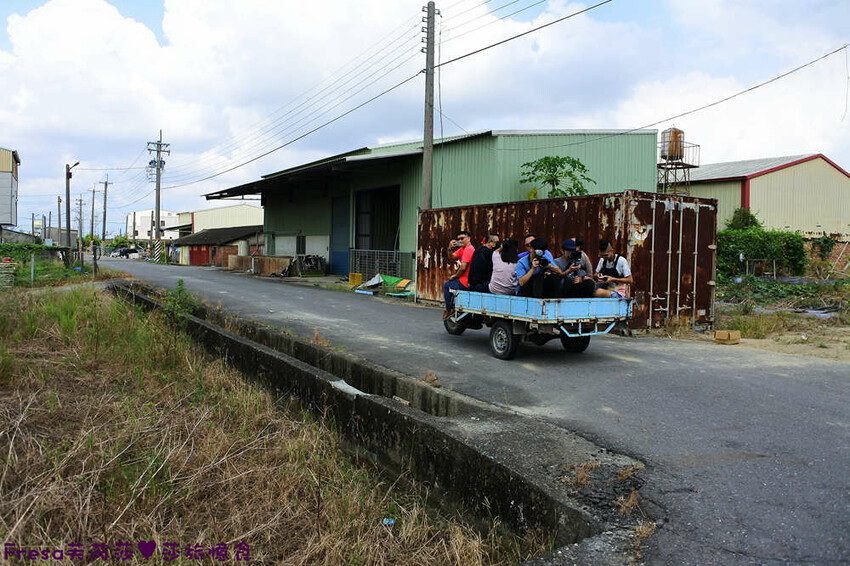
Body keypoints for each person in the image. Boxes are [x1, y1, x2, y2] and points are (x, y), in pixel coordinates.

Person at [442, 230, 474, 318]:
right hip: (462, 279)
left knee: (447, 285)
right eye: (459, 239)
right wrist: (450, 248)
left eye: (462, 238)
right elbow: (452, 257)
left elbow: (463, 268)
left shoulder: (468, 250)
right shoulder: (463, 248)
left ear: (468, 238)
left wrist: (455, 276)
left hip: (465, 281)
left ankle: (449, 309)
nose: (460, 241)